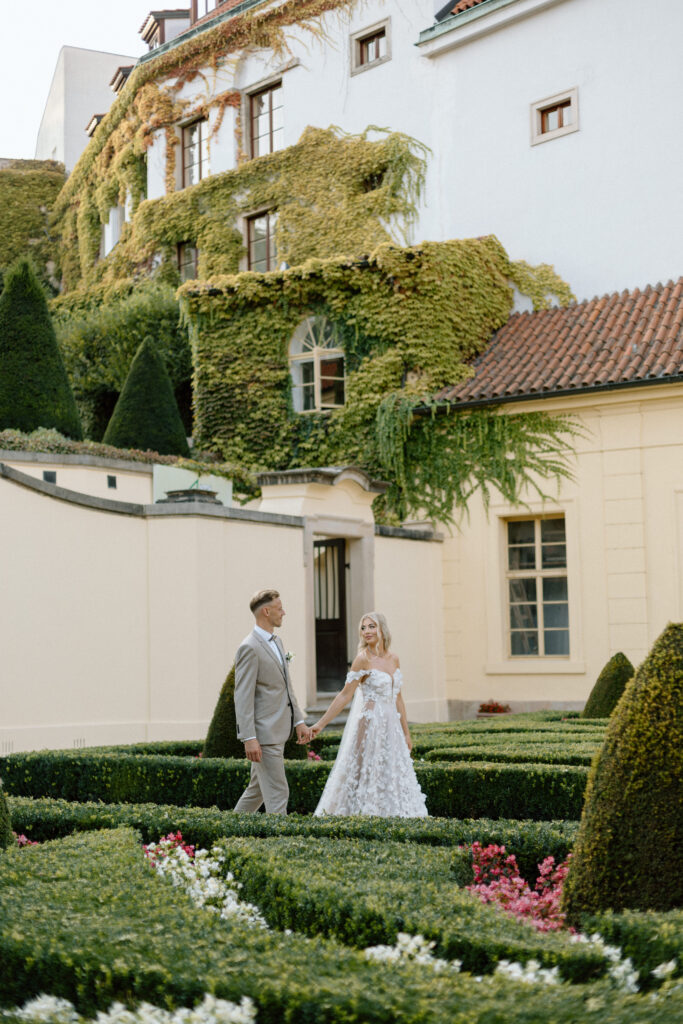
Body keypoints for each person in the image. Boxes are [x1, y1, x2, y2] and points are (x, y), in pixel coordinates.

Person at [311, 612, 428, 817]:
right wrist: (320, 724)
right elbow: (345, 695)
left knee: (391, 770)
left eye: (371, 626)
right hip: (370, 724)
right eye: (363, 628)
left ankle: (393, 814)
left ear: (382, 629)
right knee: (366, 770)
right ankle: (360, 813)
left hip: (392, 727)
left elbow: (398, 698)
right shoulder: (362, 660)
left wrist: (406, 733)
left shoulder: (394, 659)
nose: (367, 631)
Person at [234, 589, 310, 814]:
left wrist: (299, 721)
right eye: (279, 608)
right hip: (264, 734)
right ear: (266, 611)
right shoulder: (249, 647)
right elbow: (242, 696)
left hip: (279, 729)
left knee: (256, 791)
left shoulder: (277, 642)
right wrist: (249, 737)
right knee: (278, 792)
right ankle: (279, 845)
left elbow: (287, 687)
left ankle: (228, 832)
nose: (284, 613)